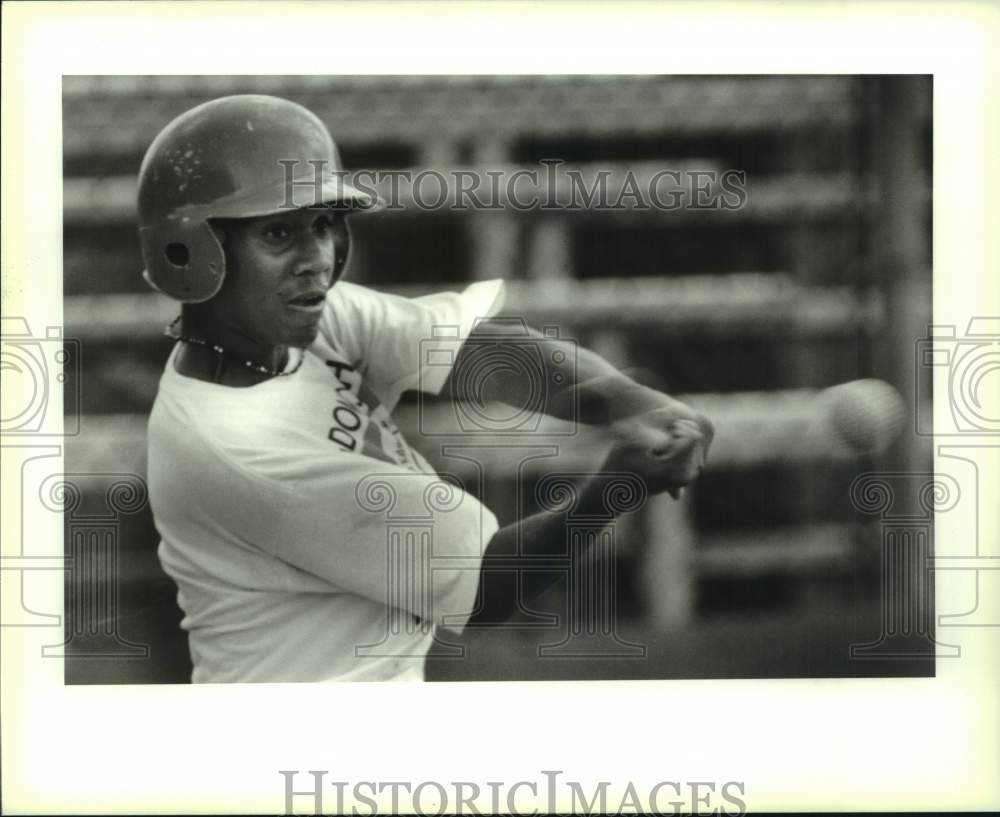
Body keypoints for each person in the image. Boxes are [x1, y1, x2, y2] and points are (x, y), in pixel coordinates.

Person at [140, 94, 713, 683]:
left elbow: (480, 352)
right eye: (280, 233)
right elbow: (488, 586)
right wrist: (617, 487)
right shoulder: (240, 452)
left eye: (323, 226)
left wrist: (631, 404)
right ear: (196, 252)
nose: (317, 259)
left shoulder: (287, 325)